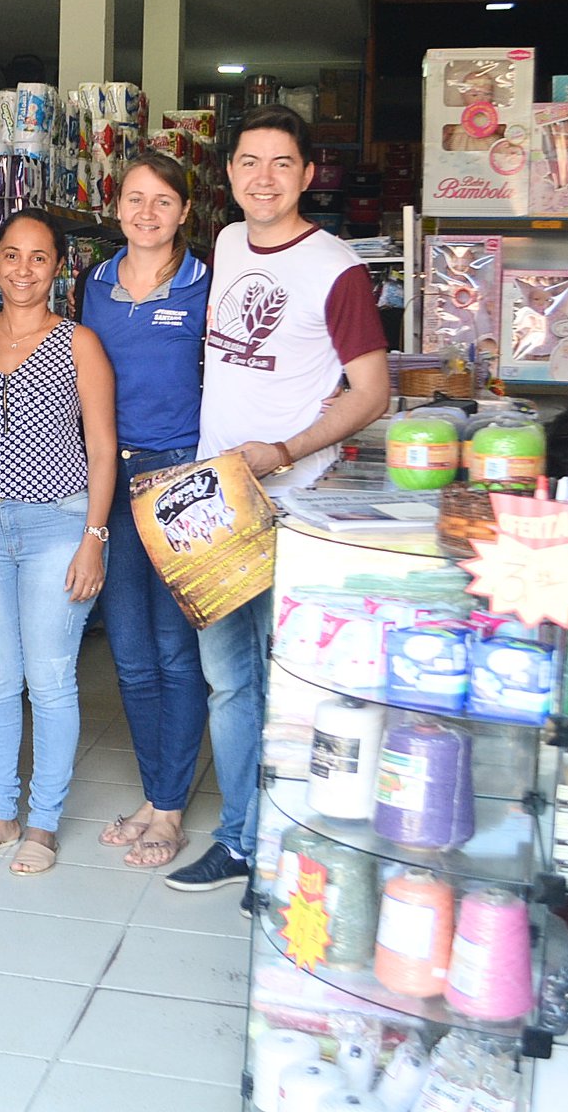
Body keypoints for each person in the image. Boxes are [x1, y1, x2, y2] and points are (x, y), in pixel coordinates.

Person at [164, 103, 389, 909]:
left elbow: (372, 392)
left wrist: (287, 450)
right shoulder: (227, 242)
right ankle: (240, 840)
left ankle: (290, 847)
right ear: (229, 174)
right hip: (218, 504)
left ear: (308, 175)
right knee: (229, 682)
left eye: (282, 163)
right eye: (250, 162)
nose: (265, 178)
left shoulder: (336, 267)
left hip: (293, 504)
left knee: (289, 682)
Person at [0, 210, 117, 877]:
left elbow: (101, 448)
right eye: (12, 255)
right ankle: (0, 814)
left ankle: (42, 822)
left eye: (39, 257)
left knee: (48, 679)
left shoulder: (79, 343)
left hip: (59, 526)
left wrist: (93, 539)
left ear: (58, 267)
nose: (23, 269)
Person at [76, 152, 212, 871]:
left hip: (179, 480)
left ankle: (170, 809)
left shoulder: (205, 284)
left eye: (163, 201)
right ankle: (157, 795)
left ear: (184, 211)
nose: (147, 213)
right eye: (135, 198)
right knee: (129, 655)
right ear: (118, 206)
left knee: (173, 650)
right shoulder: (94, 284)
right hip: (108, 476)